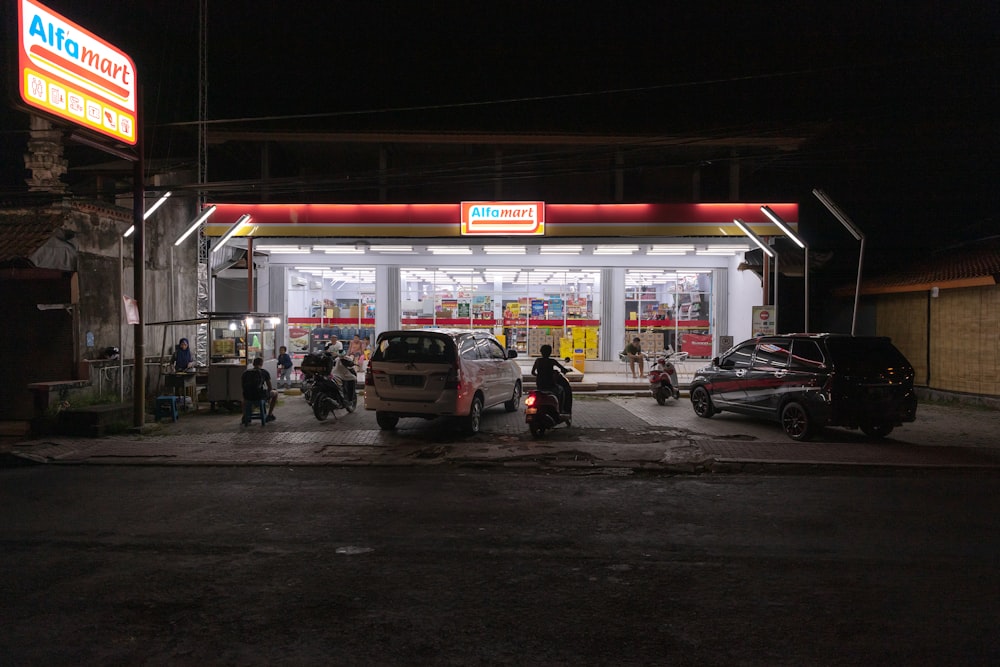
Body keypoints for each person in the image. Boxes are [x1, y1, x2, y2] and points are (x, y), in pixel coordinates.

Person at [531, 344, 572, 413]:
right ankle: (561, 409)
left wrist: (540, 376)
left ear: (541, 352)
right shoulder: (552, 361)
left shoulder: (538, 360)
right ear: (550, 352)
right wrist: (567, 370)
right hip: (551, 385)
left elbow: (533, 372)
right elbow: (562, 368)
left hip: (540, 385)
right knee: (562, 390)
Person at [241, 356, 277, 422]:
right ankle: (270, 414)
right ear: (261, 364)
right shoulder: (264, 372)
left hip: (248, 396)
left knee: (243, 399)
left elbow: (243, 386)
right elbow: (270, 387)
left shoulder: (245, 373)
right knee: (275, 393)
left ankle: (244, 416)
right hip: (260, 395)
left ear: (253, 364)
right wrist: (269, 396)